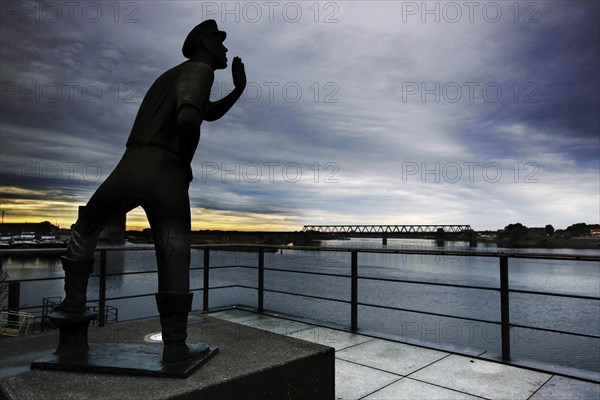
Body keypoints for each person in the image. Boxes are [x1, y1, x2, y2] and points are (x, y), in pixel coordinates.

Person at [54, 19, 246, 363]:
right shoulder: (201, 70)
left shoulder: (175, 74)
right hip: (166, 169)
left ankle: (72, 315)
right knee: (173, 254)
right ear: (204, 44)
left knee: (84, 230)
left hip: (132, 163)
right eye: (220, 42)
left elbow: (205, 112)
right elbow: (189, 118)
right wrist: (184, 163)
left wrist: (237, 90)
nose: (226, 49)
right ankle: (175, 345)